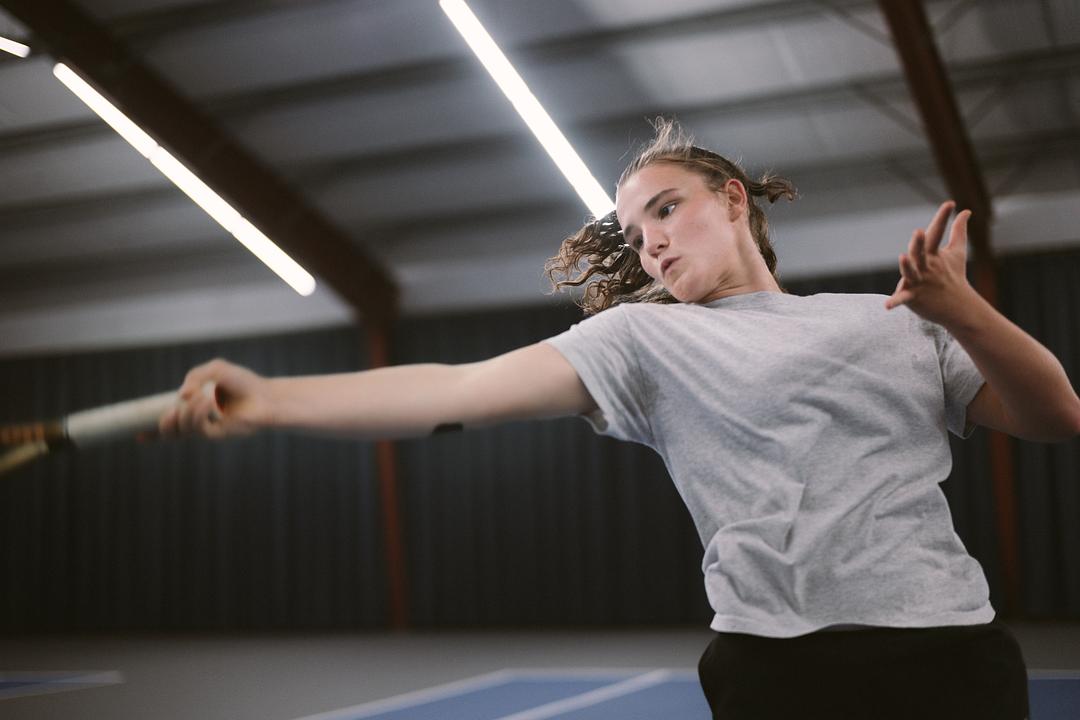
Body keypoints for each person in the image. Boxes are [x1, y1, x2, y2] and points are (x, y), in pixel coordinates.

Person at [159, 120, 1080, 719]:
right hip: (777, 672)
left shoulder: (891, 320)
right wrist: (273, 400)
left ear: (733, 202)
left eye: (667, 210)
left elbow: (1054, 415)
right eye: (637, 235)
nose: (653, 243)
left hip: (948, 655)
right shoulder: (644, 341)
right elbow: (455, 388)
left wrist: (964, 311)